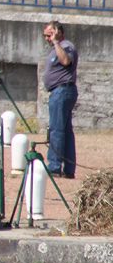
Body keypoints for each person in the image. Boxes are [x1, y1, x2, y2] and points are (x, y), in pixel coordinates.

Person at [42, 20, 78, 179]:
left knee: (57, 130)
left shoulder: (66, 46)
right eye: (46, 36)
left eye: (49, 35)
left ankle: (55, 166)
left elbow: (65, 61)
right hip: (59, 92)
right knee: (66, 131)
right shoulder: (57, 48)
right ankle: (69, 169)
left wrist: (56, 41)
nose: (47, 39)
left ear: (58, 33)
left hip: (62, 91)